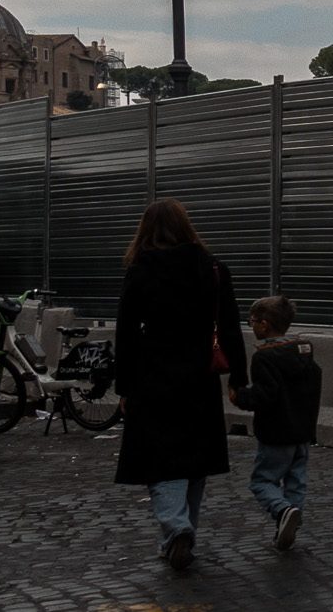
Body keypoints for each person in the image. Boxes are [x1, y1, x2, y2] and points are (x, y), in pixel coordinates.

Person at [113, 198, 248, 570]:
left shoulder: (140, 271)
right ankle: (180, 531)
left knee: (160, 460)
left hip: (153, 377)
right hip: (200, 379)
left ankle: (176, 530)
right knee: (194, 459)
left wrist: (123, 386)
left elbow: (124, 335)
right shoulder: (214, 269)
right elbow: (232, 329)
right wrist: (239, 378)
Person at [230, 295, 322, 551]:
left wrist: (241, 396)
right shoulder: (304, 352)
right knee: (296, 480)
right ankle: (289, 520)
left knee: (262, 481)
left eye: (253, 321)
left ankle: (282, 511)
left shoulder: (264, 358)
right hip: (302, 432)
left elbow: (264, 395)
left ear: (265, 324)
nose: (251, 325)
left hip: (276, 432)